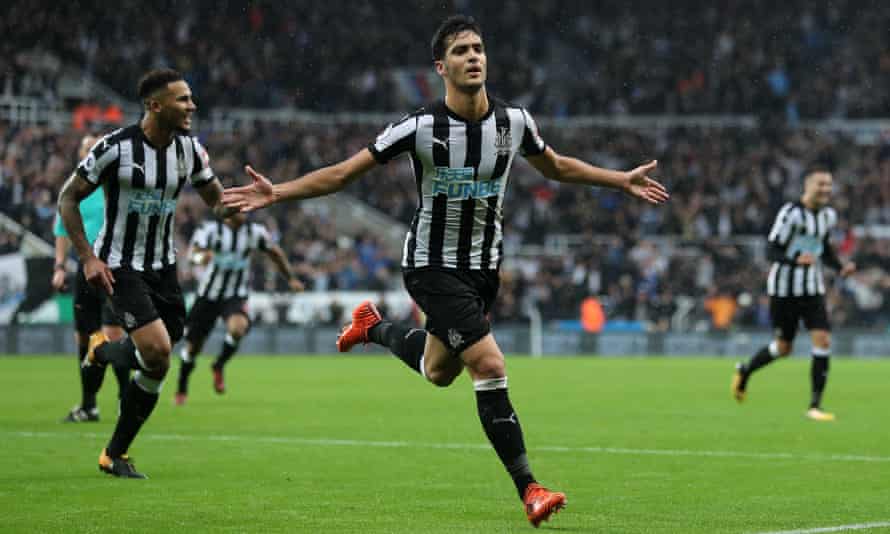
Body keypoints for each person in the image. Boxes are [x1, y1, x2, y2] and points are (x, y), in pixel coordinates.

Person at [223, 15, 668, 526]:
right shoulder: (419, 127)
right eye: (461, 51)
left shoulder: (514, 122)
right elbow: (344, 173)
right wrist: (278, 191)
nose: (473, 56)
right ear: (441, 67)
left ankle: (373, 327)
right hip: (430, 265)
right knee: (490, 365)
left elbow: (557, 166)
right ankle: (530, 488)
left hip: (483, 269)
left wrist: (620, 180)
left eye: (478, 48)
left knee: (439, 371)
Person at [57, 68, 237, 478]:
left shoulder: (189, 150)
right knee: (156, 352)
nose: (192, 106)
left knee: (158, 363)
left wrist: (256, 200)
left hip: (163, 267)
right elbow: (68, 198)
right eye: (183, 99)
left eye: (191, 98)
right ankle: (102, 357)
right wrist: (87, 258)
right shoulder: (114, 148)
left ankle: (113, 450)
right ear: (155, 105)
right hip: (118, 264)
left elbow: (218, 202)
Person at [732, 166, 856, 421]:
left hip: (812, 288)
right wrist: (794, 260)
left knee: (823, 340)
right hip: (783, 291)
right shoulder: (791, 213)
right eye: (821, 184)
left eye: (829, 185)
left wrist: (840, 267)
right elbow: (771, 250)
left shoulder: (828, 216)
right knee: (783, 347)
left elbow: (824, 249)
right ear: (807, 186)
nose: (826, 189)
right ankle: (745, 371)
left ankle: (815, 406)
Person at [175, 213, 303, 405]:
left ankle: (219, 364)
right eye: (240, 209)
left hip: (235, 295)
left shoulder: (254, 232)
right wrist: (203, 257)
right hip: (208, 296)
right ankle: (182, 385)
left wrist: (291, 278)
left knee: (238, 328)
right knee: (193, 348)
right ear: (228, 209)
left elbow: (275, 253)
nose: (244, 213)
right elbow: (192, 255)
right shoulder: (210, 229)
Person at [53, 135, 128, 423]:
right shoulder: (73, 188)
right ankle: (89, 405)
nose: (90, 152)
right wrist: (60, 266)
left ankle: (125, 398)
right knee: (84, 337)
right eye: (86, 148)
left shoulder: (115, 184)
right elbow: (62, 231)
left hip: (113, 268)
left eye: (95, 148)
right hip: (85, 269)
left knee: (112, 335)